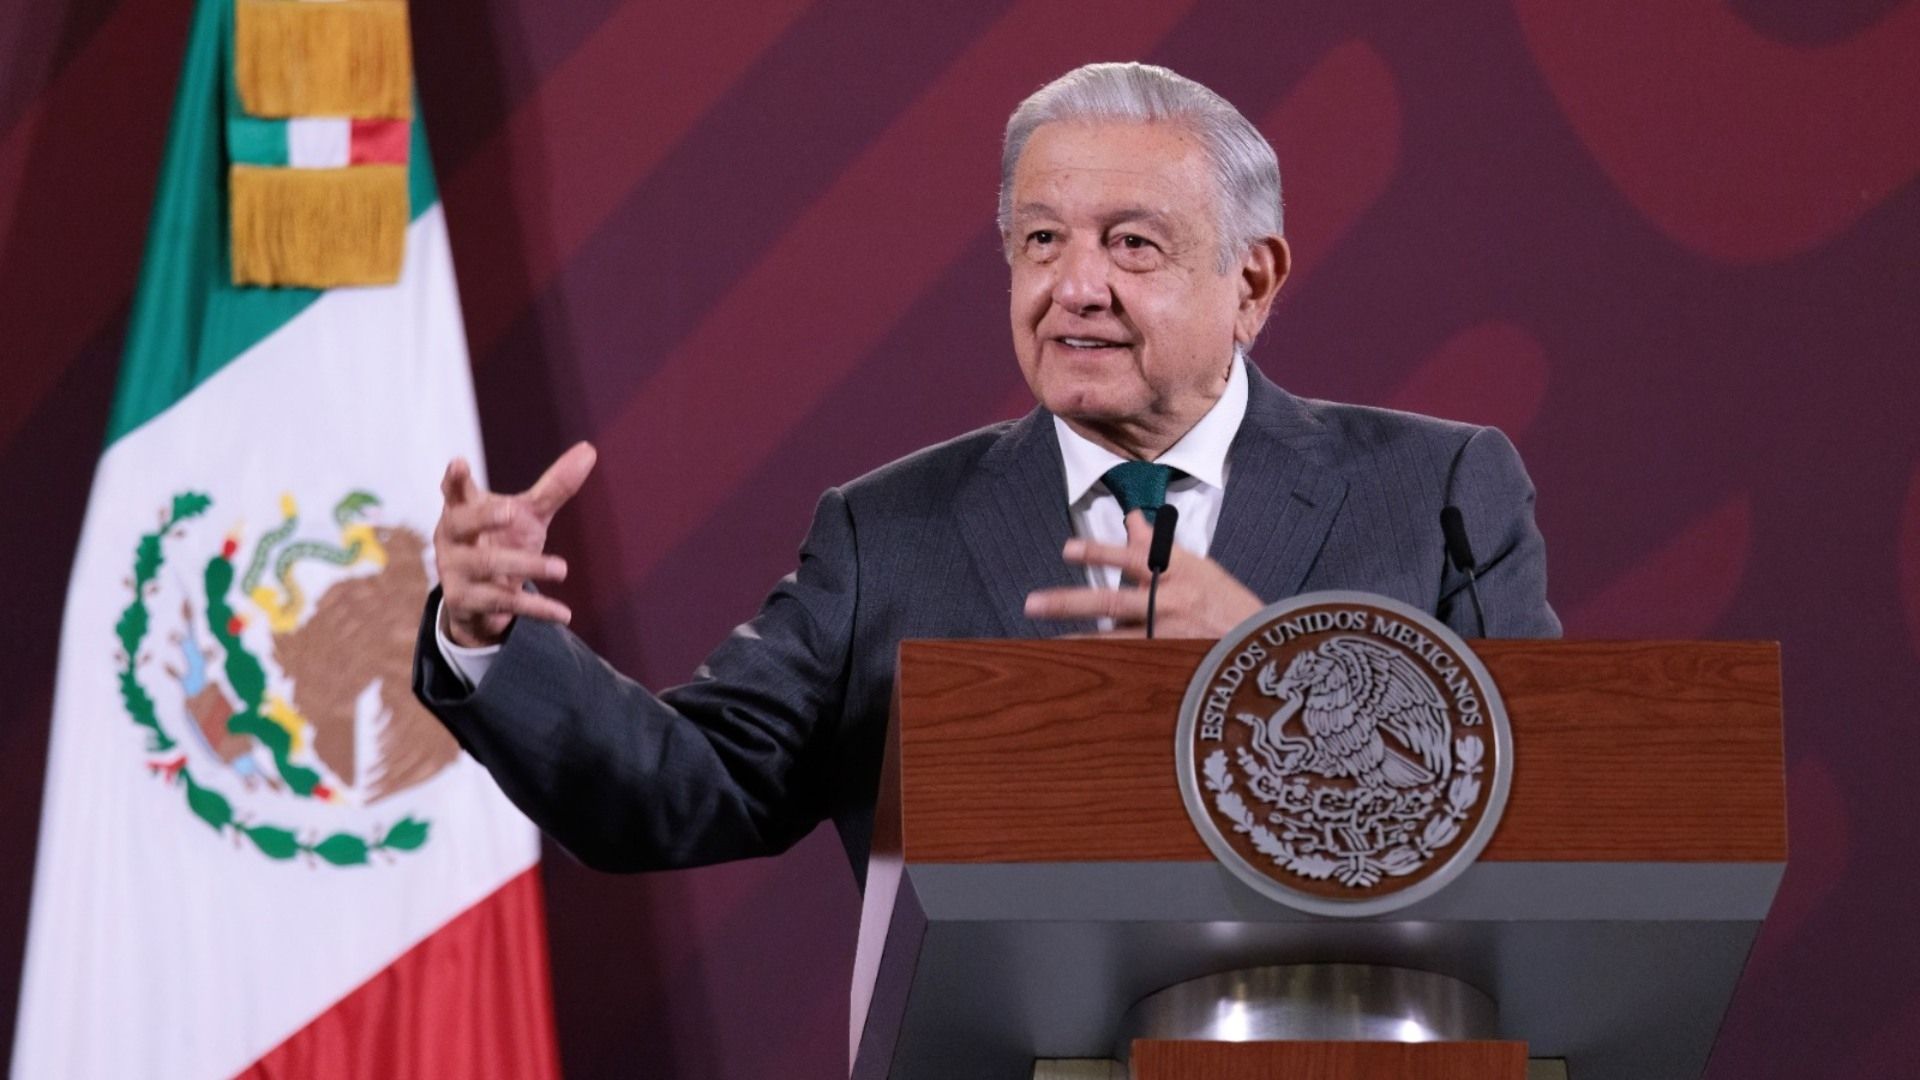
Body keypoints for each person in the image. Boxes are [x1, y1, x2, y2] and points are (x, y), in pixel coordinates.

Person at [411, 62, 1560, 886]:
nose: (1076, 286)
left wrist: (1269, 662)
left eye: (1134, 243)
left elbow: (1547, 813)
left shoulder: (1440, 493)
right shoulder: (887, 532)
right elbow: (679, 792)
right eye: (1041, 240)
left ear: (1252, 282)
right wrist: (487, 635)